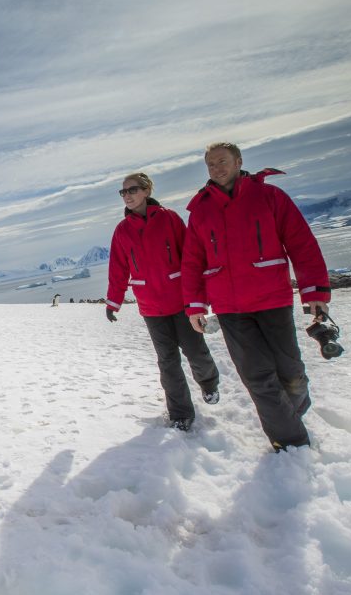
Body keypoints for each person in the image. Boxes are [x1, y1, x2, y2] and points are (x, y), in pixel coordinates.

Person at [182, 142, 331, 451]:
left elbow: (301, 244)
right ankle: (290, 443)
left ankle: (290, 415)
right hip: (230, 307)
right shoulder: (200, 209)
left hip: (272, 299)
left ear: (238, 161)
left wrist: (314, 291)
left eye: (222, 161)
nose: (216, 169)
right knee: (258, 377)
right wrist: (195, 304)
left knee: (291, 373)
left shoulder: (270, 197)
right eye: (210, 165)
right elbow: (193, 260)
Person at [106, 172, 221, 432]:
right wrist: (113, 302)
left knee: (196, 353)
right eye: (123, 192)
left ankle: (209, 383)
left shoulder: (169, 218)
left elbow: (191, 257)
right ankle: (180, 412)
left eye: (132, 190)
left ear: (146, 191)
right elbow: (118, 270)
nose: (127, 196)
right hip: (152, 308)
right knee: (168, 362)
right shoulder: (122, 231)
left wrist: (200, 296)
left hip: (182, 303)